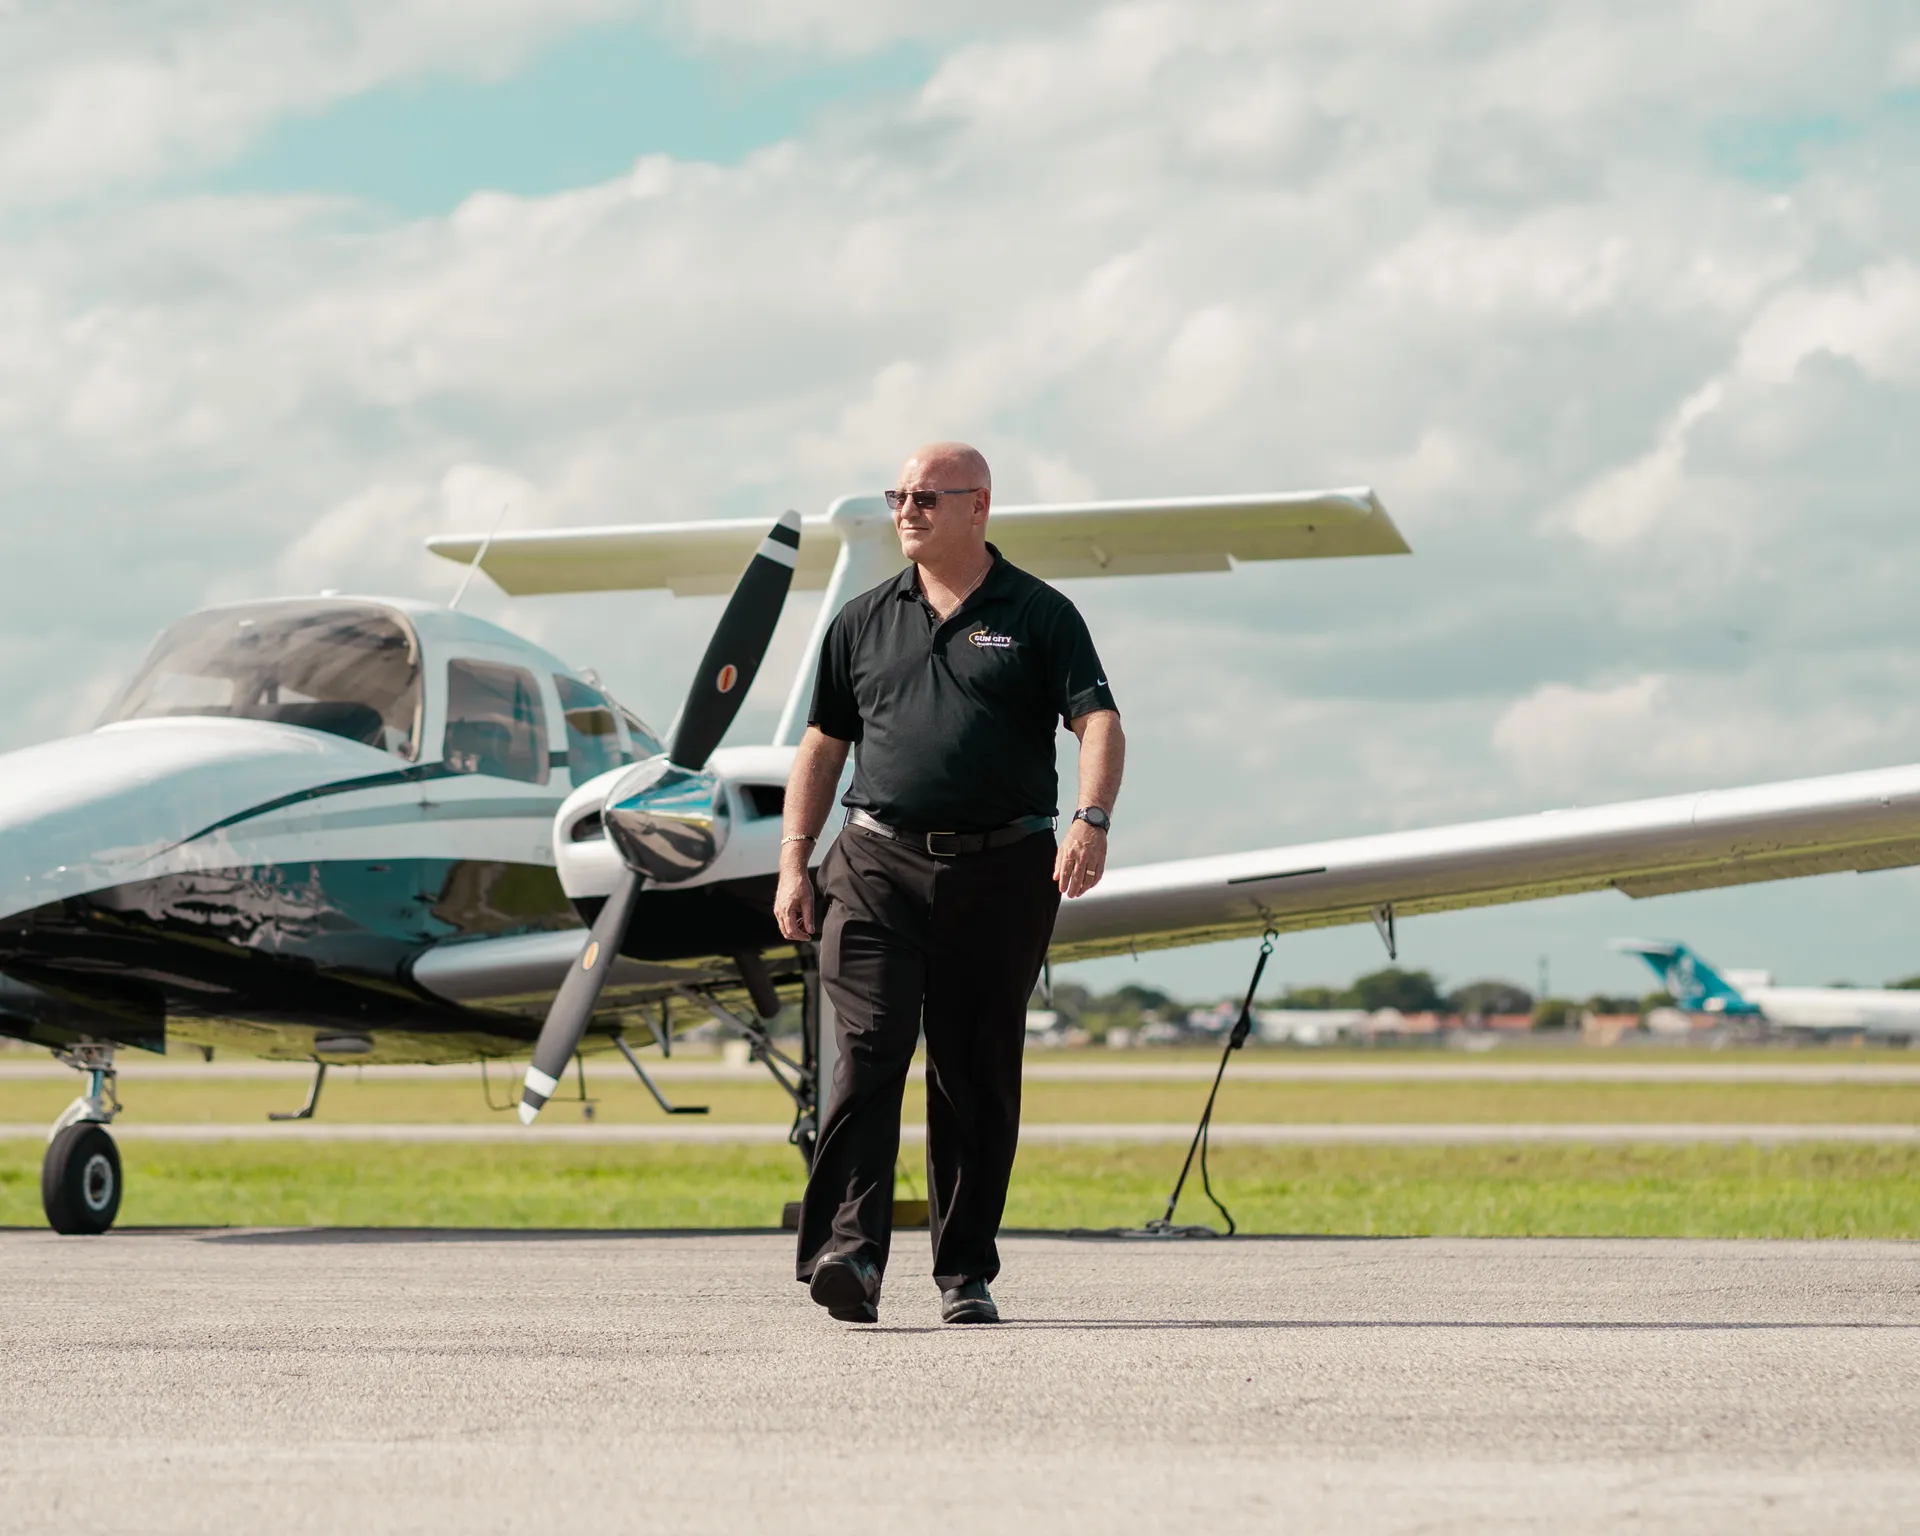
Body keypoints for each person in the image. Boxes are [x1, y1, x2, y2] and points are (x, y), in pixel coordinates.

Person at [775, 440, 1125, 1325]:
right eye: (899, 495)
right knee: (869, 1054)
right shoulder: (860, 619)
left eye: (926, 497)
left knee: (974, 1074)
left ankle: (963, 1271)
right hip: (871, 864)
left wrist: (1090, 820)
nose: (906, 510)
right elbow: (823, 744)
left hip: (1003, 870)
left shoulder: (1041, 614)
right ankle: (849, 1256)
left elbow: (1098, 721)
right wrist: (793, 856)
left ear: (979, 506)